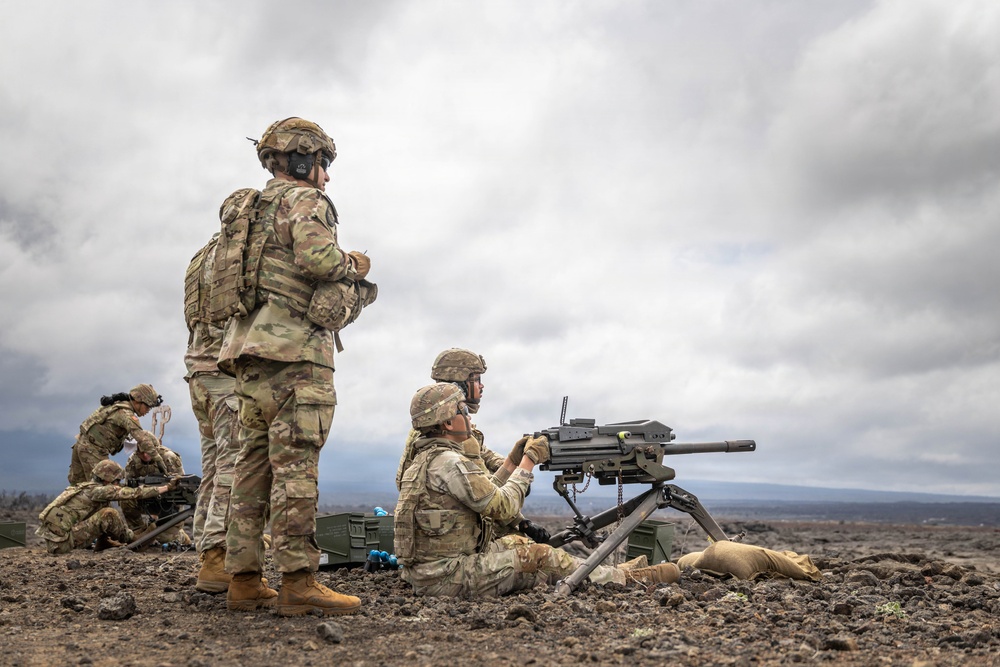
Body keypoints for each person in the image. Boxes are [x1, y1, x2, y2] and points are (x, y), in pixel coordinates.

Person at [217, 117, 369, 616]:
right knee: (297, 470)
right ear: (305, 160)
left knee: (251, 468)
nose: (326, 176)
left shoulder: (250, 210)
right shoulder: (304, 201)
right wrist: (355, 266)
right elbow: (319, 261)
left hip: (247, 352)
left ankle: (242, 579)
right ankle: (299, 583)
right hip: (294, 356)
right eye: (322, 165)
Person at [395, 383, 680, 597]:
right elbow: (505, 507)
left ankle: (604, 573)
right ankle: (625, 579)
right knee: (540, 557)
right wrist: (529, 461)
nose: (468, 416)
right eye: (463, 411)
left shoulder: (430, 459)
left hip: (429, 572)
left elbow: (485, 497)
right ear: (447, 421)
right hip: (445, 579)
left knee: (519, 544)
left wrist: (511, 461)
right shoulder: (450, 463)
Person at [395, 348, 550, 544]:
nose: (482, 386)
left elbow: (484, 457)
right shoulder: (446, 438)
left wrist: (512, 462)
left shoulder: (434, 430)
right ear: (459, 383)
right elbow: (488, 496)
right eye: (476, 379)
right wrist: (526, 466)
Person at [183, 223, 243, 593]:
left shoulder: (199, 257)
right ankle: (217, 556)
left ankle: (207, 549)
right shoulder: (235, 255)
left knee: (212, 467)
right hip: (224, 376)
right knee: (232, 466)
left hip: (197, 375)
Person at [36, 460, 176, 554]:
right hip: (63, 545)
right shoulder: (98, 491)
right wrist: (165, 488)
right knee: (108, 514)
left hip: (56, 543)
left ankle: (103, 542)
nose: (117, 484)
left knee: (102, 509)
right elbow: (133, 493)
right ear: (107, 479)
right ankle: (133, 539)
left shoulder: (87, 488)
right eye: (116, 481)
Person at [67, 384, 167, 485]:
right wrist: (158, 459)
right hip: (93, 450)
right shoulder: (126, 414)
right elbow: (142, 438)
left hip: (81, 444)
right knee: (103, 488)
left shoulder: (117, 404)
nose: (148, 411)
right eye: (147, 406)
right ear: (138, 401)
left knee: (77, 488)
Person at [120, 443, 192, 546]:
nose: (145, 455)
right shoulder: (133, 461)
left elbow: (182, 485)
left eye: (147, 451)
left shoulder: (168, 457)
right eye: (141, 452)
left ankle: (181, 537)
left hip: (169, 503)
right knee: (125, 498)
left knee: (164, 539)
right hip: (146, 500)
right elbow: (129, 488)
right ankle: (139, 532)